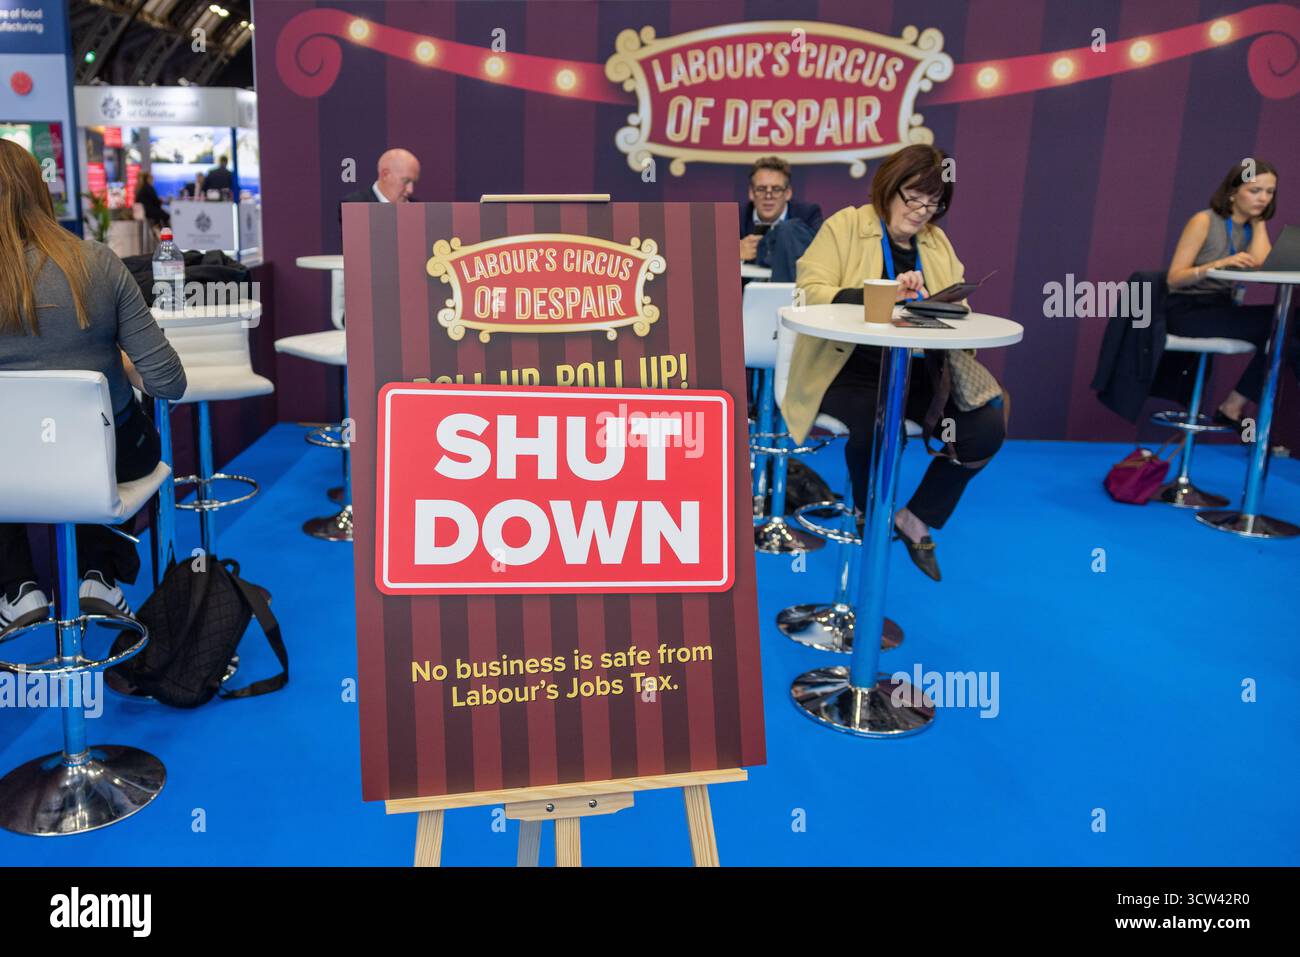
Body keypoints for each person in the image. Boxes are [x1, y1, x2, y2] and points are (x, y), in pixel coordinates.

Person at [786, 144, 1006, 582]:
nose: (923, 211)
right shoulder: (846, 225)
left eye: (934, 202)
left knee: (985, 426)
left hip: (916, 370)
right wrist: (882, 294)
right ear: (889, 187)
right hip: (847, 368)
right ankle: (872, 514)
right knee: (877, 426)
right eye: (913, 197)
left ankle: (915, 517)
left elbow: (954, 308)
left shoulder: (936, 243)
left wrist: (931, 303)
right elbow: (811, 290)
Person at [0, 139, 186, 633]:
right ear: (41, 192)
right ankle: (97, 575)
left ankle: (15, 589)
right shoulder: (99, 262)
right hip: (107, 458)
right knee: (102, 438)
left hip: (7, 467)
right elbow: (170, 381)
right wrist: (115, 366)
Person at [1165, 160, 1291, 432]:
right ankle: (1233, 406)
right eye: (1255, 190)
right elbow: (1174, 277)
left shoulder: (1250, 227)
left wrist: (1259, 224)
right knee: (1288, 325)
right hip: (1187, 311)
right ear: (1233, 191)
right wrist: (1214, 265)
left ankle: (1233, 405)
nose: (1264, 198)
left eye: (1270, 192)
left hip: (1221, 308)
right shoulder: (1204, 221)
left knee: (1289, 335)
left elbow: (1261, 263)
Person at [740, 156, 822, 282]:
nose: (768, 196)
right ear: (751, 193)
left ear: (788, 193)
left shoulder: (807, 215)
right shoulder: (736, 218)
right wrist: (732, 254)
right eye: (761, 189)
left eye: (776, 189)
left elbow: (819, 258)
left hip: (792, 296)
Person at [340, 148, 421, 223]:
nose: (410, 190)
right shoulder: (354, 206)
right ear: (385, 174)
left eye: (413, 182)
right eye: (406, 181)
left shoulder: (418, 209)